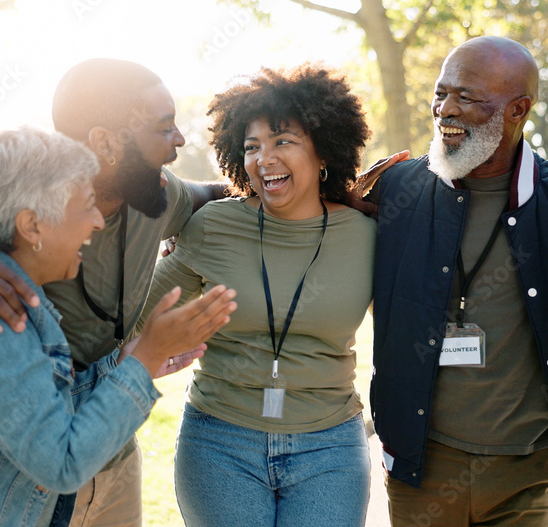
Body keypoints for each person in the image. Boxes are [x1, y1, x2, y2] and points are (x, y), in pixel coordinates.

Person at [0, 59, 228, 527]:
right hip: (28, 466)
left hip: (108, 443)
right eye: (164, 128)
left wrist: (327, 189)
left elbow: (214, 195)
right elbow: (55, 456)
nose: (179, 140)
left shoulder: (155, 193)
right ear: (105, 142)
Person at [367, 36, 548, 526]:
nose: (445, 110)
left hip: (532, 469)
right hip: (421, 466)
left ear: (519, 109)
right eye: (441, 93)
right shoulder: (397, 189)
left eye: (468, 98)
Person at [139, 64, 375, 527]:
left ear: (323, 151)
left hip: (330, 446)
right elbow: (136, 315)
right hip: (220, 442)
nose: (263, 158)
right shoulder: (214, 226)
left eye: (282, 141)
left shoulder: (367, 235)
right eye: (251, 147)